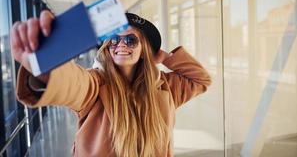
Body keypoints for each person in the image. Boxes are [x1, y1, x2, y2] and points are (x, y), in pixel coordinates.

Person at [11, 10, 212, 157]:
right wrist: (43, 63)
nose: (121, 45)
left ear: (144, 50)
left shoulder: (164, 87)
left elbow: (200, 79)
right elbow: (72, 83)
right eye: (114, 40)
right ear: (108, 47)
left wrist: (166, 57)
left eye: (131, 40)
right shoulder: (95, 85)